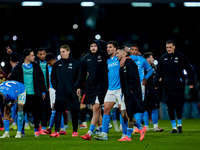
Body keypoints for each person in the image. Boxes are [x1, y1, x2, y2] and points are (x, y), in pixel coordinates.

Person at [154, 40, 195, 133]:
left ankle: (179, 125)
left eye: (170, 47)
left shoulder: (180, 57)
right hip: (167, 86)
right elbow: (158, 72)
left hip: (178, 86)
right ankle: (174, 128)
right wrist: (156, 83)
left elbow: (189, 69)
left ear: (174, 47)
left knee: (178, 105)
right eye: (167, 47)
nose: (168, 49)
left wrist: (191, 82)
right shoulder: (163, 58)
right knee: (170, 107)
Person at [9, 48, 46, 137]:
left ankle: (36, 130)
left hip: (35, 93)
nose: (34, 57)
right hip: (22, 94)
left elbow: (41, 79)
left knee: (36, 113)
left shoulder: (36, 66)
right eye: (32, 55)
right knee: (21, 113)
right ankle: (21, 131)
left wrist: (43, 91)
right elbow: (12, 80)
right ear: (27, 57)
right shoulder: (18, 67)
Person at [76, 40, 108, 140]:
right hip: (93, 87)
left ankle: (137, 126)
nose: (93, 48)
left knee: (120, 110)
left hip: (106, 86)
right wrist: (79, 86)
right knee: (95, 109)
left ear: (98, 47)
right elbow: (82, 75)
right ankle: (91, 132)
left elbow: (112, 50)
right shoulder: (85, 59)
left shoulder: (104, 55)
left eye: (95, 46)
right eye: (91, 46)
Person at [116, 46, 147, 141]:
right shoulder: (122, 65)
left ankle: (128, 136)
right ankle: (141, 128)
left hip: (132, 91)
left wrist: (131, 89)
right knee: (123, 114)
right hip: (126, 92)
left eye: (117, 53)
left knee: (130, 113)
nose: (116, 55)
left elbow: (134, 77)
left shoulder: (130, 63)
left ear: (123, 53)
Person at [94, 41, 122, 141]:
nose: (108, 49)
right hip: (110, 89)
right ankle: (104, 134)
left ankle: (134, 130)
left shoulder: (120, 58)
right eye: (107, 47)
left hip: (120, 89)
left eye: (110, 47)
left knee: (123, 113)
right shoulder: (107, 61)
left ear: (115, 49)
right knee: (106, 110)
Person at [50, 44, 80, 137]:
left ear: (68, 51)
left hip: (72, 92)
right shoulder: (57, 64)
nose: (61, 53)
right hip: (60, 92)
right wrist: (57, 87)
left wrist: (76, 87)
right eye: (60, 52)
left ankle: (75, 131)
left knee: (74, 111)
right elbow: (53, 78)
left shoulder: (76, 63)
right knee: (58, 111)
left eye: (63, 51)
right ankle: (57, 131)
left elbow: (79, 77)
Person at [128, 44, 153, 132]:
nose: (134, 51)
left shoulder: (142, 60)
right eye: (132, 49)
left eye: (136, 50)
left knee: (139, 104)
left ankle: (137, 126)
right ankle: (130, 125)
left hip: (140, 85)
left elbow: (151, 70)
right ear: (129, 51)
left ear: (138, 51)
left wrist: (145, 78)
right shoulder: (127, 59)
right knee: (128, 104)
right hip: (129, 84)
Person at [44, 53, 67, 135]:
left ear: (54, 60)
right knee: (55, 109)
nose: (49, 65)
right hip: (51, 90)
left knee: (55, 109)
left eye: (50, 63)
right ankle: (63, 129)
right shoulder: (49, 67)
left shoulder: (60, 65)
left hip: (58, 89)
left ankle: (50, 128)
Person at [143, 52, 163, 132]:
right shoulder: (143, 68)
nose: (153, 59)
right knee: (145, 108)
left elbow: (158, 76)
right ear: (147, 59)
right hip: (147, 90)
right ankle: (146, 126)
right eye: (152, 58)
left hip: (154, 90)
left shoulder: (154, 67)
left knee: (154, 108)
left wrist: (159, 79)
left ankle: (155, 126)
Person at [35, 47, 51, 134]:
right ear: (37, 55)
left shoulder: (49, 63)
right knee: (39, 108)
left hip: (48, 88)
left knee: (47, 108)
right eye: (40, 54)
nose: (42, 56)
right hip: (38, 88)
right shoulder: (35, 63)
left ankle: (44, 126)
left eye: (43, 54)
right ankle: (40, 126)